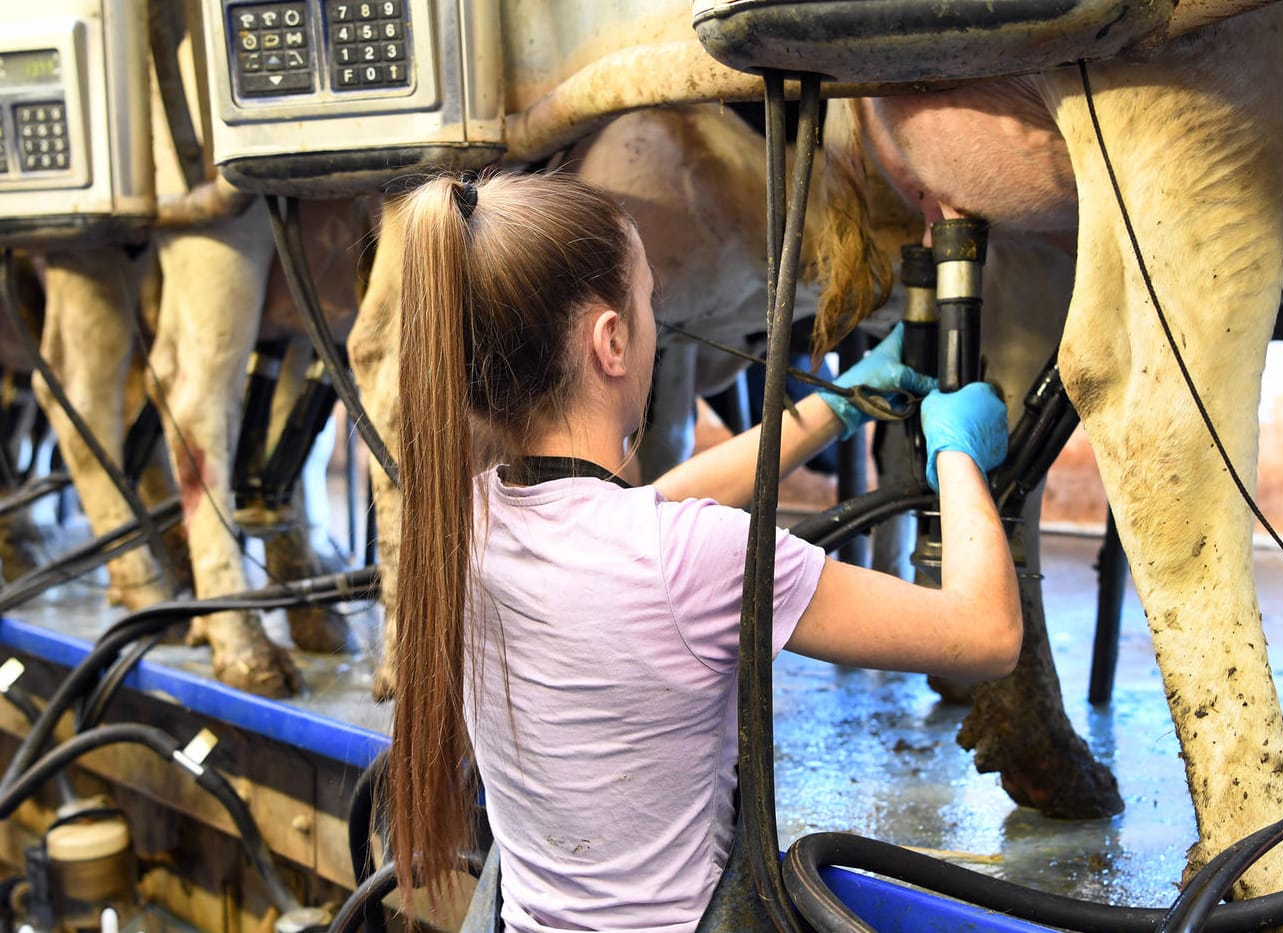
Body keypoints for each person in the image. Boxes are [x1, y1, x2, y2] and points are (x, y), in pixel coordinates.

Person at [385, 171, 1022, 933]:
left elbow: (646, 516)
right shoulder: (692, 558)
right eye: (650, 302)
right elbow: (983, 635)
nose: (656, 324)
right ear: (611, 341)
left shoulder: (465, 519)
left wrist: (839, 405)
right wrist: (956, 455)